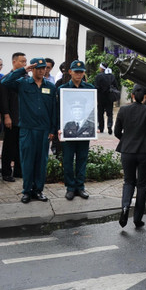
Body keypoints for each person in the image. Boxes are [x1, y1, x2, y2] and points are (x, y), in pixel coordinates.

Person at [0, 57, 58, 204]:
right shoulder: (23, 83)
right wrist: (23, 70)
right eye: (38, 68)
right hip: (27, 129)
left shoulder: (51, 87)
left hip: (44, 130)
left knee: (41, 162)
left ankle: (38, 190)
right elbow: (5, 82)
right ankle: (26, 191)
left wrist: (52, 129)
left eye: (43, 68)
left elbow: (54, 110)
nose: (41, 71)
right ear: (32, 69)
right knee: (27, 161)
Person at [114, 85, 146, 228]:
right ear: (145, 97)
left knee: (128, 181)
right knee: (142, 184)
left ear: (132, 95)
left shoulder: (123, 110)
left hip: (127, 151)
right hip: (145, 152)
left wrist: (126, 139)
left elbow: (117, 131)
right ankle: (137, 218)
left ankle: (124, 207)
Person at [57, 60, 96, 200]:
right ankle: (70, 188)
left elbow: (92, 110)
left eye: (81, 72)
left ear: (84, 73)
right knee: (67, 161)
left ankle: (80, 187)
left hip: (84, 132)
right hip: (68, 131)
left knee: (82, 160)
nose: (78, 74)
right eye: (76, 71)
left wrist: (94, 126)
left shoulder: (90, 88)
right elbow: (58, 111)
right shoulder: (62, 89)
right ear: (70, 72)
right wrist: (58, 128)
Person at [0, 52, 26, 182]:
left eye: (25, 61)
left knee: (21, 146)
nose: (25, 64)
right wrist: (6, 116)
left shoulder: (25, 78)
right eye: (22, 61)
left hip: (23, 119)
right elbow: (3, 100)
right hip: (11, 118)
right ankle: (6, 172)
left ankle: (19, 171)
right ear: (14, 62)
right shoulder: (6, 79)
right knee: (9, 146)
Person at [95, 64, 117, 134]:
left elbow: (96, 87)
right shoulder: (112, 76)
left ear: (102, 68)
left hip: (101, 97)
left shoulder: (98, 76)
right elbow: (116, 86)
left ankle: (101, 127)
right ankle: (109, 125)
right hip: (110, 97)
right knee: (109, 113)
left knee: (100, 113)